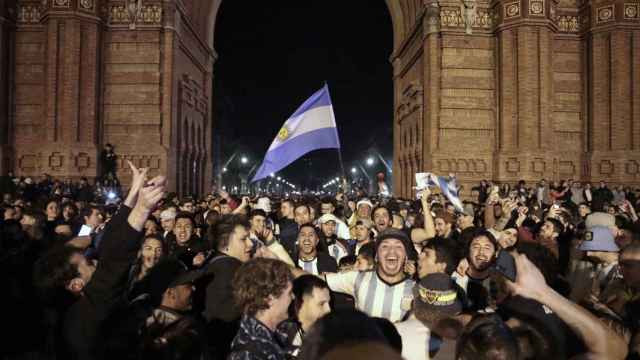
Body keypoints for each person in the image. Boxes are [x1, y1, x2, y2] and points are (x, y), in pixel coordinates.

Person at [32, 162, 165, 359]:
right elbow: (113, 262)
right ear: (76, 285)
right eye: (87, 263)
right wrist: (142, 209)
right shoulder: (86, 316)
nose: (94, 263)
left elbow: (108, 242)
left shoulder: (72, 314)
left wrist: (133, 194)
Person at [324, 229, 416, 322]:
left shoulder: (417, 290)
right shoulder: (357, 278)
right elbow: (316, 280)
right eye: (385, 246)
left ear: (406, 257)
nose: (392, 250)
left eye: (398, 246)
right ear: (376, 257)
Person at [228, 258, 294, 360]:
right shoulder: (250, 353)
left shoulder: (270, 338)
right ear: (270, 299)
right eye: (289, 293)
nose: (293, 297)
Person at [278, 275, 332, 358]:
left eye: (329, 303)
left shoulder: (336, 339)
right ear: (299, 305)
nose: (328, 310)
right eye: (321, 304)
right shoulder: (278, 338)